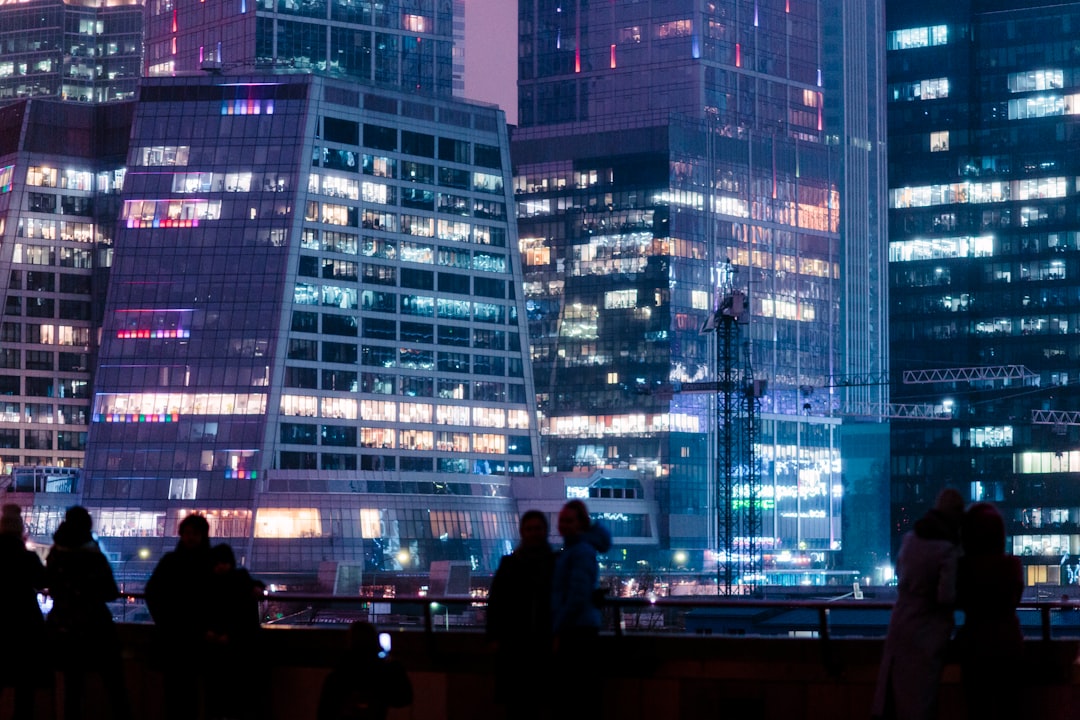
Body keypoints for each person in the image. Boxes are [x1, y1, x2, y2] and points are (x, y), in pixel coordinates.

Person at [872, 488, 964, 720]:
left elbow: (899, 572)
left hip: (901, 623)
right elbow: (946, 596)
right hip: (929, 633)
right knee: (920, 700)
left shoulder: (911, 538)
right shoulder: (948, 549)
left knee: (894, 695)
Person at [45, 506, 133, 720]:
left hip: (65, 628)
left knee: (72, 689)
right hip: (96, 628)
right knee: (114, 686)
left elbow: (50, 585)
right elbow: (110, 591)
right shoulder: (94, 556)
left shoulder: (55, 555)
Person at [956, 502, 1023, 720]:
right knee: (1009, 707)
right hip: (1009, 644)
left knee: (978, 708)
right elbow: (1015, 600)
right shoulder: (1012, 565)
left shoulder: (964, 567)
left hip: (975, 646)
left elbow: (956, 600)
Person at [486, 510, 556, 719]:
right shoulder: (513, 563)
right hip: (518, 646)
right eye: (530, 529)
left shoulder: (517, 563)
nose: (534, 533)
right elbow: (496, 602)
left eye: (537, 529)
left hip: (537, 645)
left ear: (545, 531)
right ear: (522, 532)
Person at [145, 513, 213, 720]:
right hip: (197, 638)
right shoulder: (209, 563)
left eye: (194, 534)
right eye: (188, 533)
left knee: (176, 693)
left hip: (176, 638)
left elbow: (152, 592)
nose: (191, 538)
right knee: (192, 695)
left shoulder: (171, 561)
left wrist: (164, 621)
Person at [550, 500, 611, 720]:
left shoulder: (580, 551)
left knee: (574, 697)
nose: (563, 525)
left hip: (576, 632)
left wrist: (558, 629)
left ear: (581, 523)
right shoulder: (577, 549)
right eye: (561, 521)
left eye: (568, 521)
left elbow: (577, 595)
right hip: (580, 628)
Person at [205, 543, 265, 720]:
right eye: (217, 563)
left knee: (220, 698)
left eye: (223, 562)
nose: (220, 566)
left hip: (222, 649)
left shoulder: (212, 583)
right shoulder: (240, 579)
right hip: (239, 649)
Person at [0, 504, 46, 720]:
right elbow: (43, 580)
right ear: (21, 531)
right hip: (25, 626)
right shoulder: (27, 558)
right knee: (24, 686)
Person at [317, 621, 412, 720]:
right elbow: (403, 699)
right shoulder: (383, 673)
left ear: (349, 641)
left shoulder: (337, 676)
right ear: (376, 641)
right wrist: (394, 665)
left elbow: (323, 713)